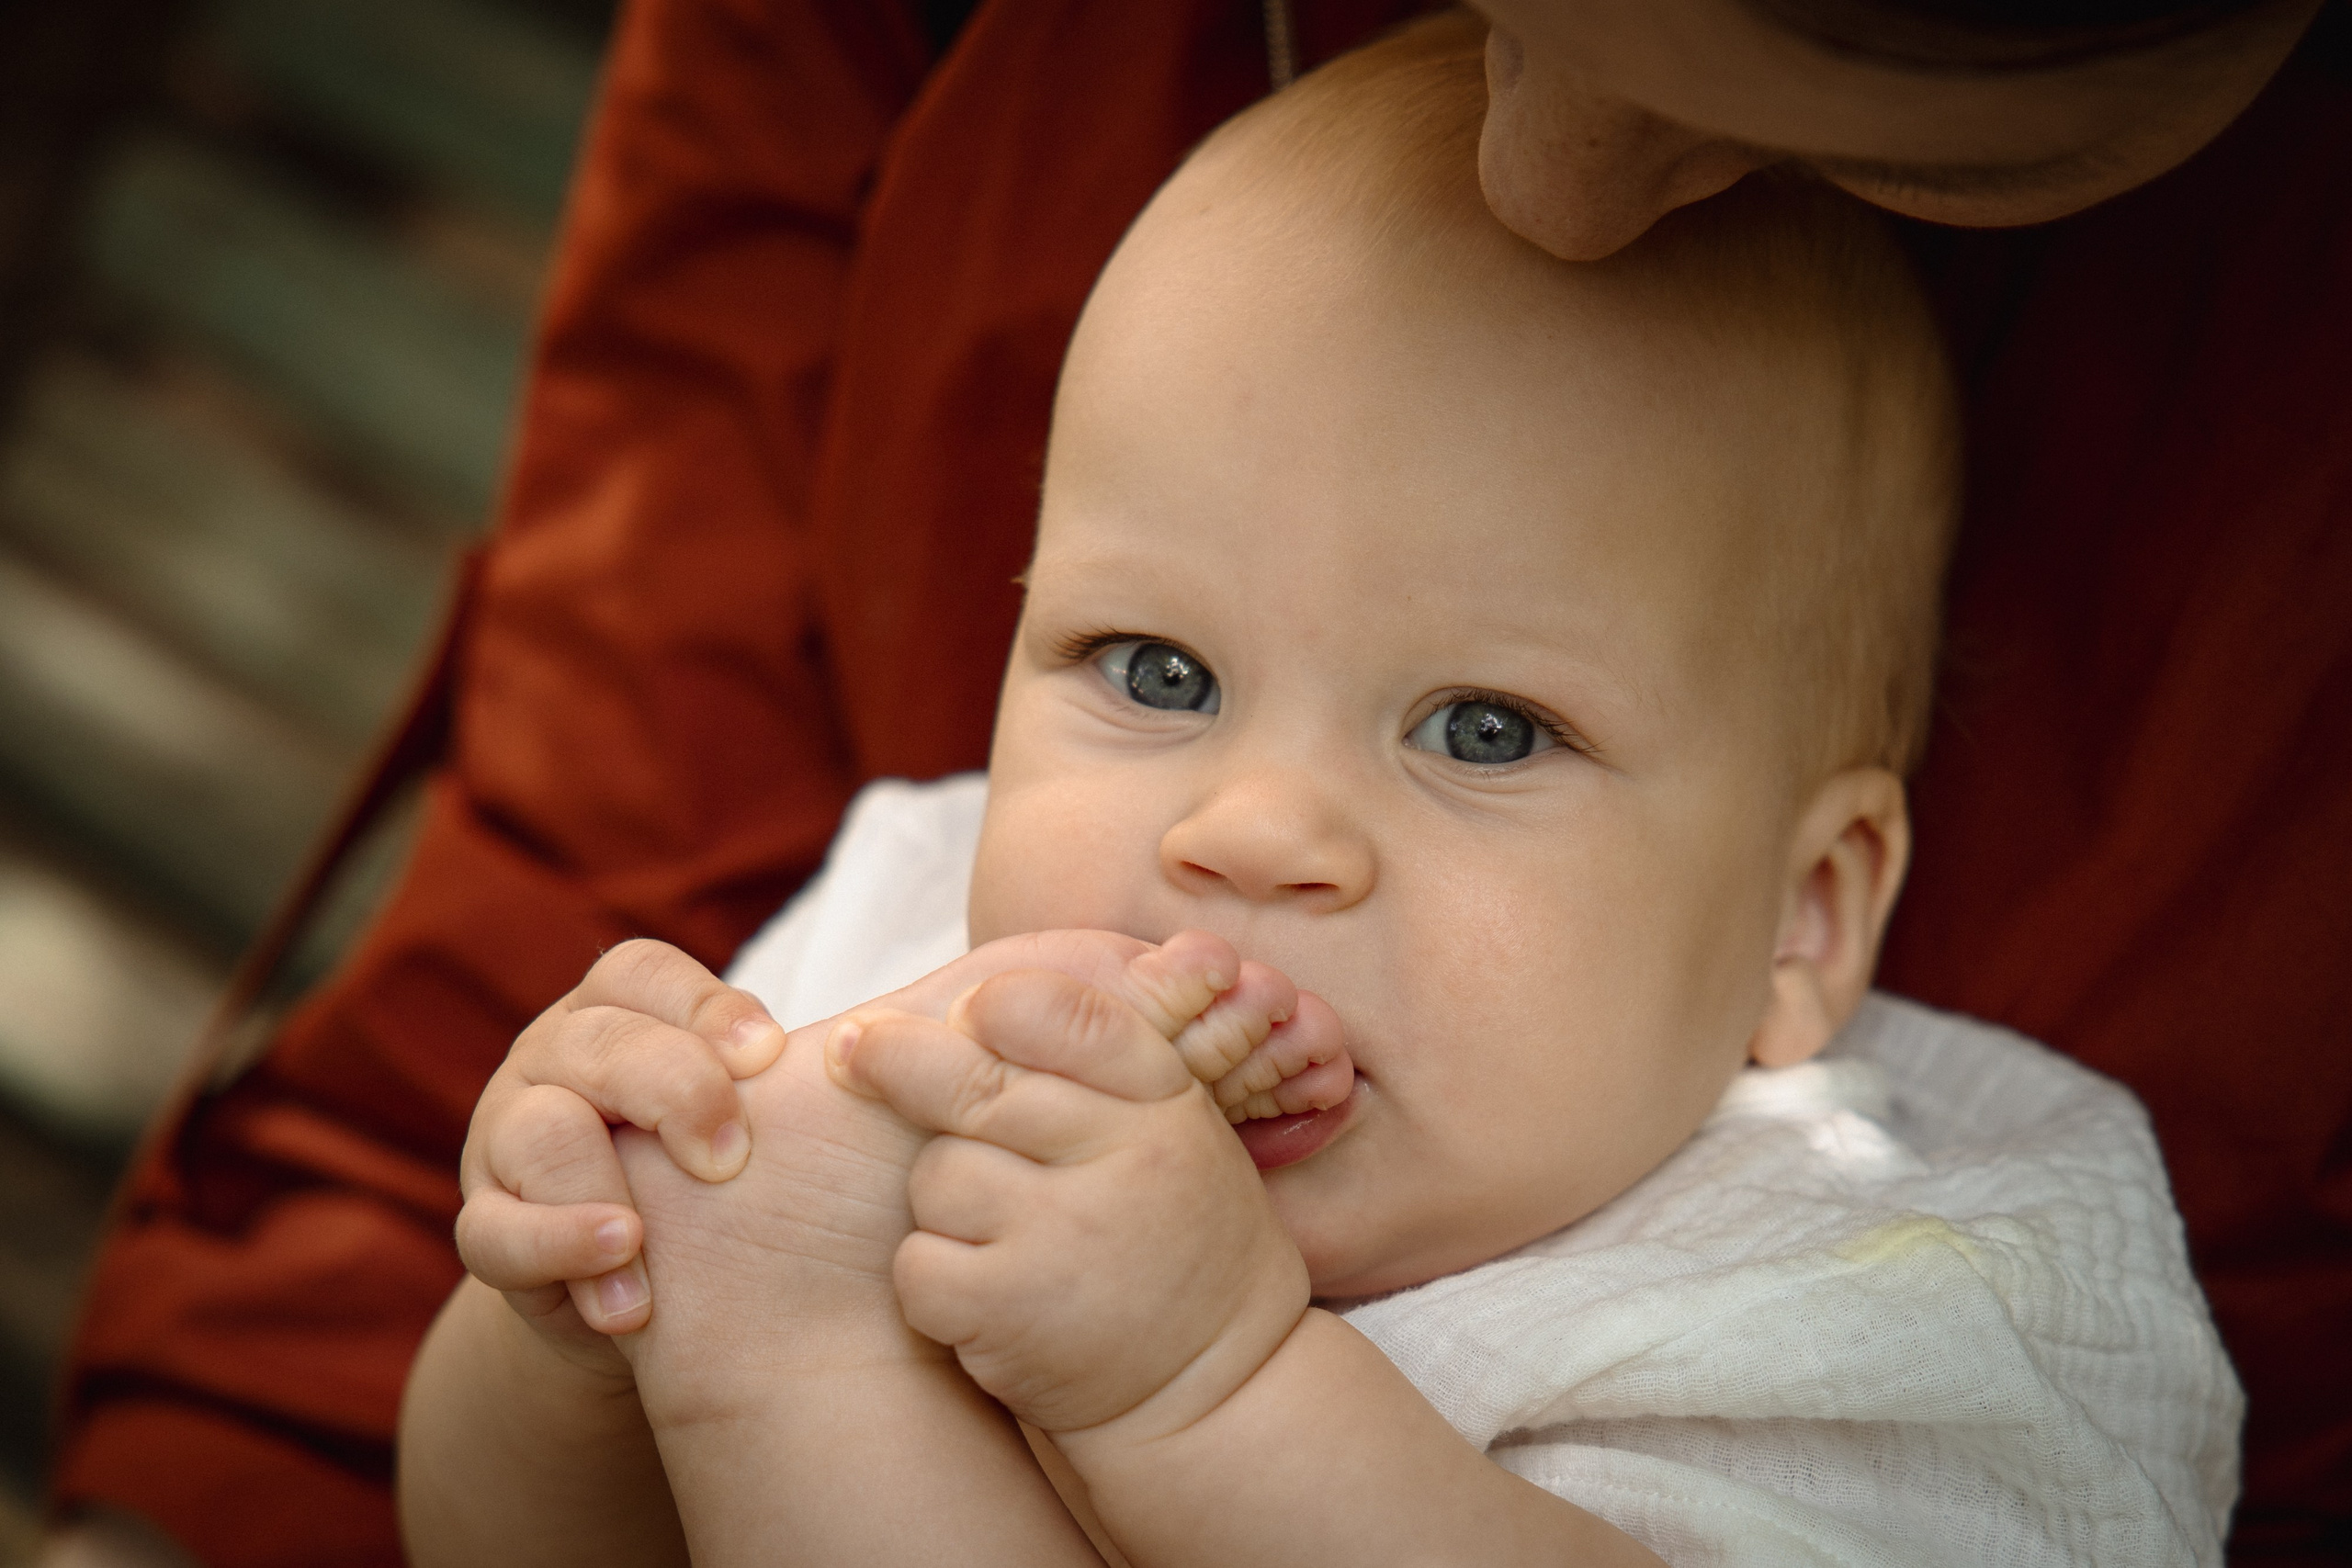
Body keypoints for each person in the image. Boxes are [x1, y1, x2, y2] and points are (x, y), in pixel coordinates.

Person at [45, 1, 2351, 1563]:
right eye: (1148, 666)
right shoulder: (900, 939)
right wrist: (569, 1333)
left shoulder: (1900, 1246)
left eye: (1479, 729)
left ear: (1799, 915)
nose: (1241, 831)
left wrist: (1209, 1398)